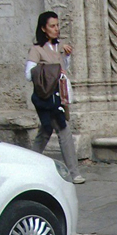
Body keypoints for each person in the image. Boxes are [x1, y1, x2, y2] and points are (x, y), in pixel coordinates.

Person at [25, 11, 84, 183]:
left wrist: (66, 56)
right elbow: (29, 74)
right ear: (43, 28)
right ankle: (74, 173)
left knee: (46, 130)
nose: (56, 29)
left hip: (60, 95)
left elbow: (63, 69)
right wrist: (51, 70)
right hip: (46, 97)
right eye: (52, 26)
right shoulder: (36, 50)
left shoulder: (59, 47)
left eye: (57, 25)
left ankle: (27, 163)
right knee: (63, 129)